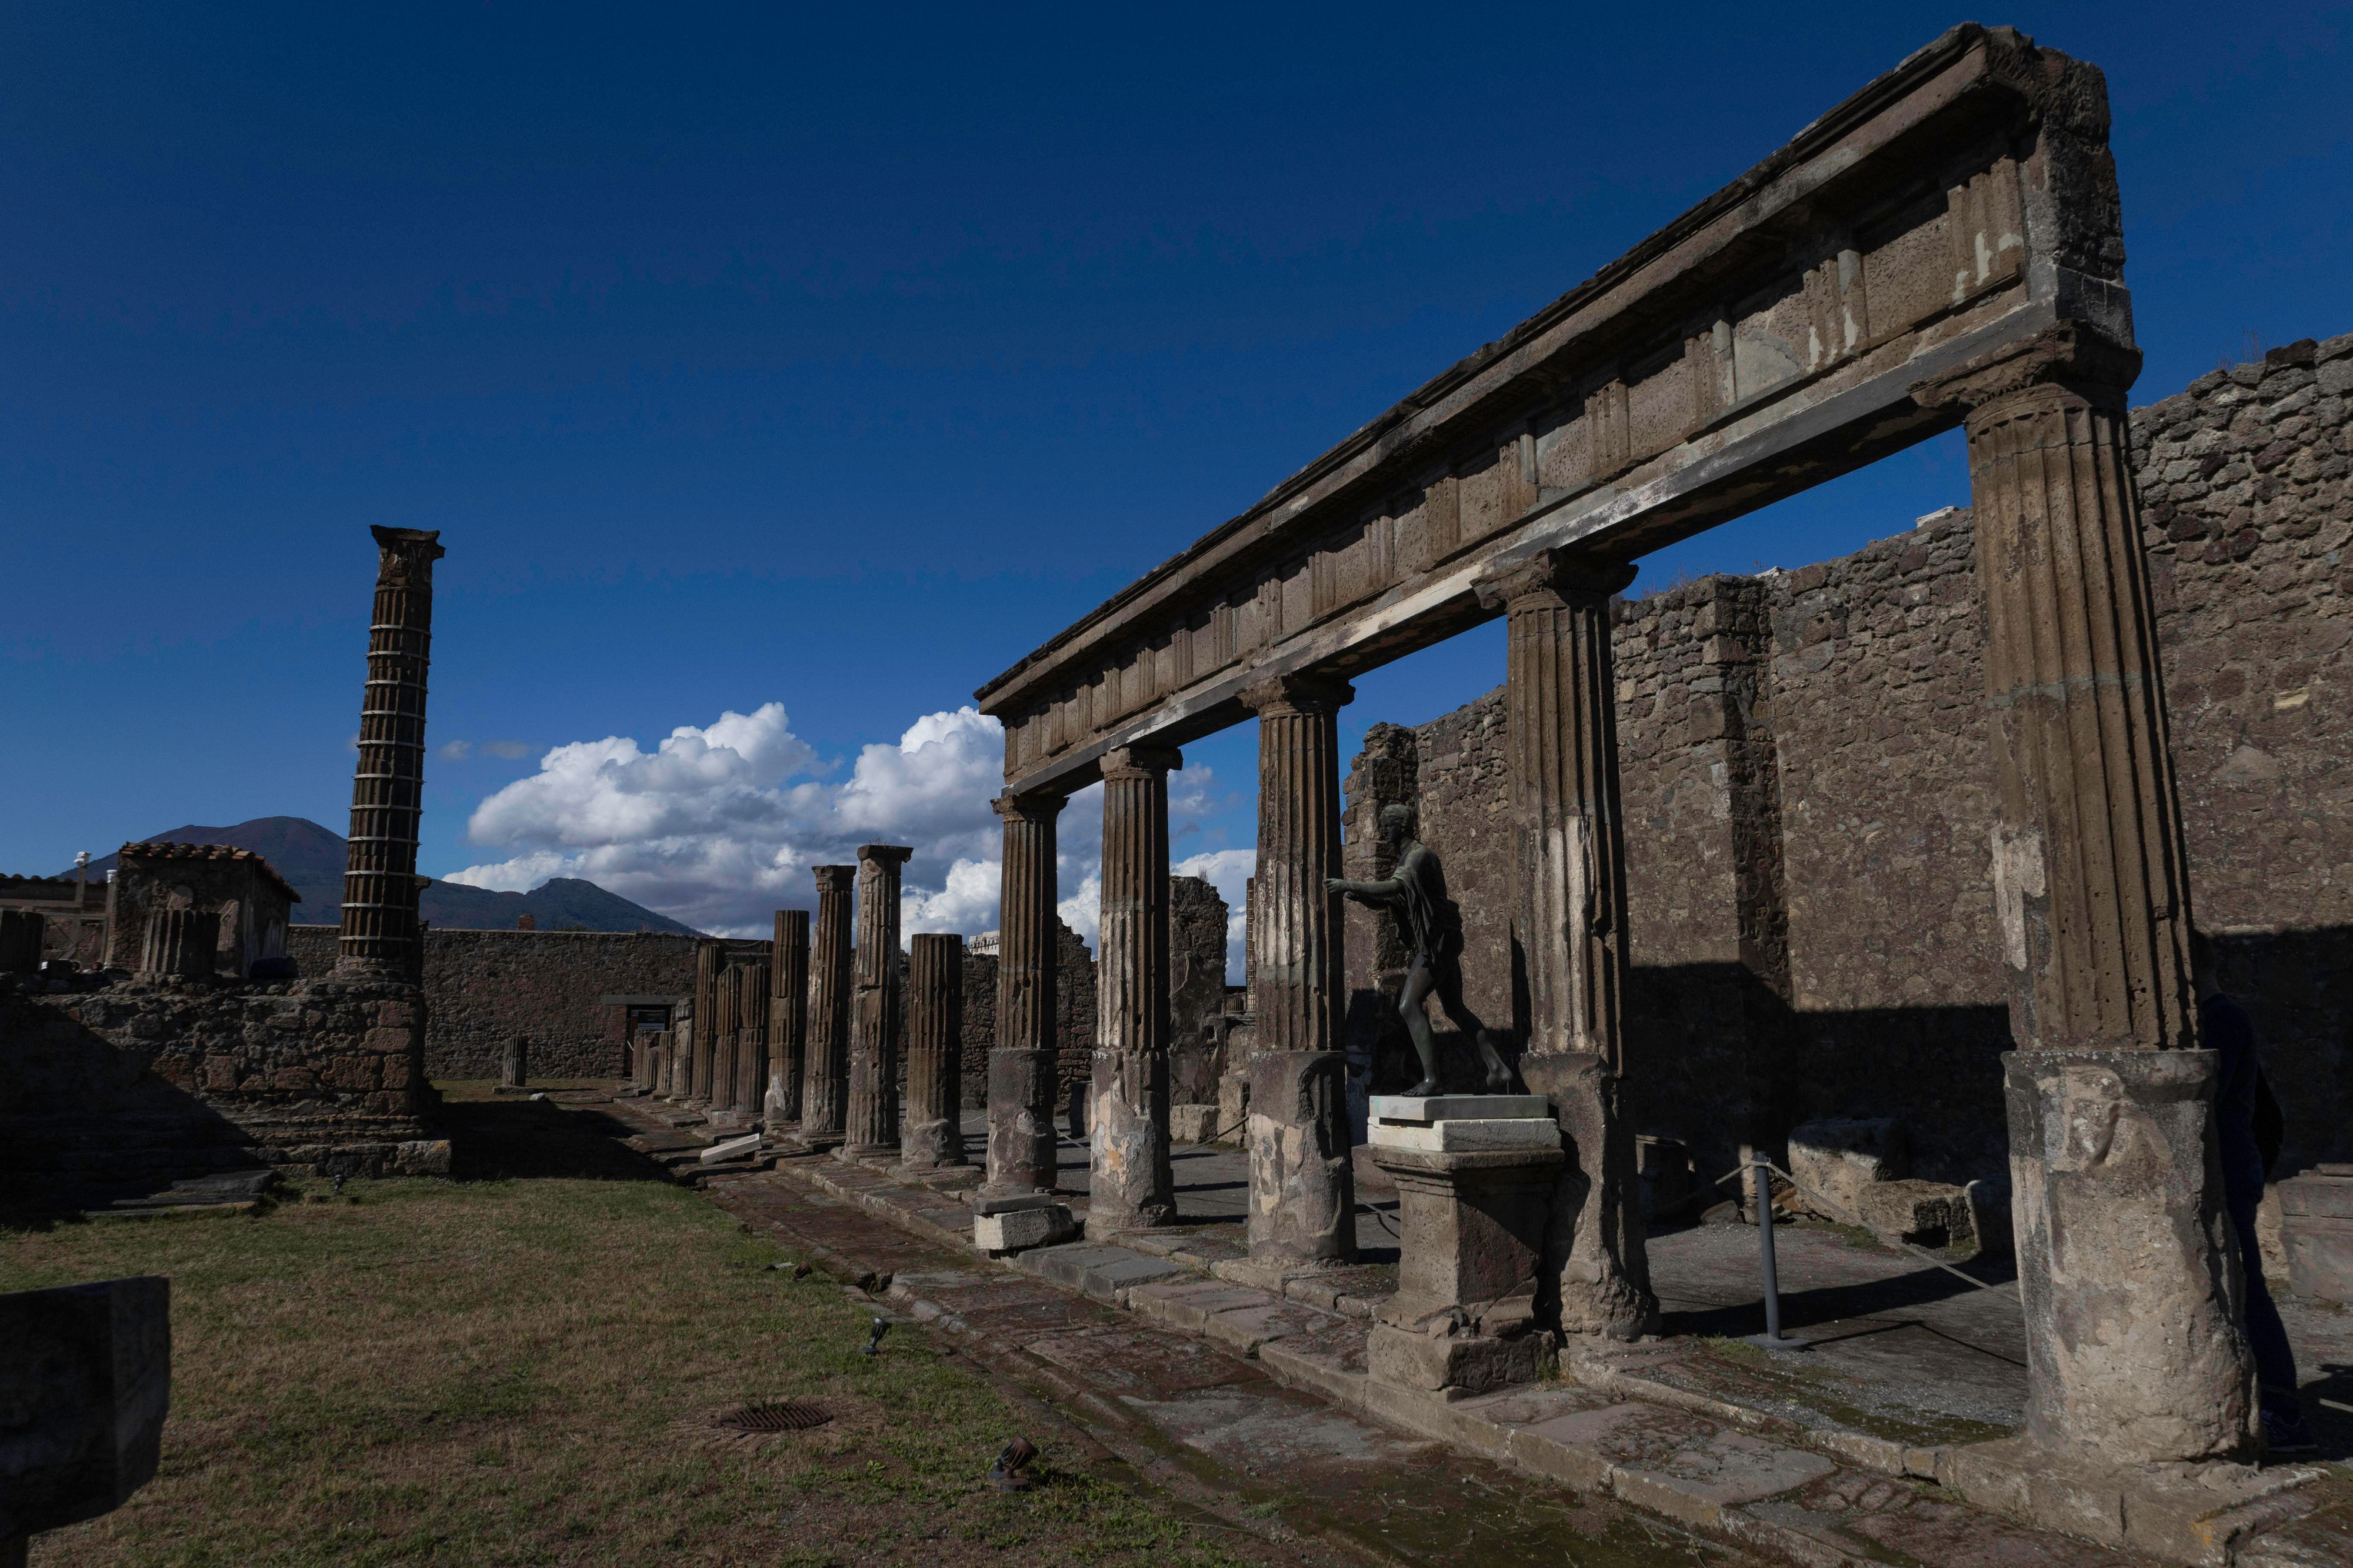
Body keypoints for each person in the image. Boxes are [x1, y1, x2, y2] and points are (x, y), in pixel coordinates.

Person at [2196, 933, 2317, 1454]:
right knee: (2235, 1288)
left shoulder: (2222, 1019)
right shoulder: (2220, 1018)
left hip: (2228, 1174)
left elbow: (2212, 1101)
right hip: (2231, 1171)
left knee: (2249, 1290)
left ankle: (2283, 1413)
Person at [1327, 805, 1511, 1096]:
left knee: (1409, 1005)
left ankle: (1431, 1080)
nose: (1383, 830)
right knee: (1455, 1009)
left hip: (1439, 942)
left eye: (1388, 825)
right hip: (1441, 940)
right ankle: (1497, 1067)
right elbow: (1395, 899)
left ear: (1402, 826)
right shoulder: (1405, 858)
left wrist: (1349, 883)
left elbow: (1393, 889)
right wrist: (1361, 897)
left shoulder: (1418, 855)